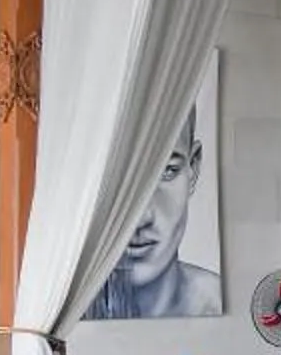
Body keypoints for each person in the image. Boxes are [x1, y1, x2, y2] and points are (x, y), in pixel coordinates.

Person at [87, 105, 220, 319]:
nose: (140, 218)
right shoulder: (55, 314)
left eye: (167, 171)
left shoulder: (214, 301)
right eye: (115, 178)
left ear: (193, 168)